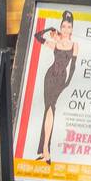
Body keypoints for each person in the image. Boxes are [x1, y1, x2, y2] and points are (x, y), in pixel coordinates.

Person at [32, 10, 79, 162]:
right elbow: (37, 36)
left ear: (72, 29)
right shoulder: (55, 44)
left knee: (51, 109)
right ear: (60, 27)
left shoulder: (74, 45)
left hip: (61, 79)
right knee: (49, 109)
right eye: (63, 26)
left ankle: (45, 148)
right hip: (50, 76)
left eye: (68, 27)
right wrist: (49, 29)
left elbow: (73, 67)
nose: (66, 29)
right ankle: (44, 150)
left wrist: (67, 83)